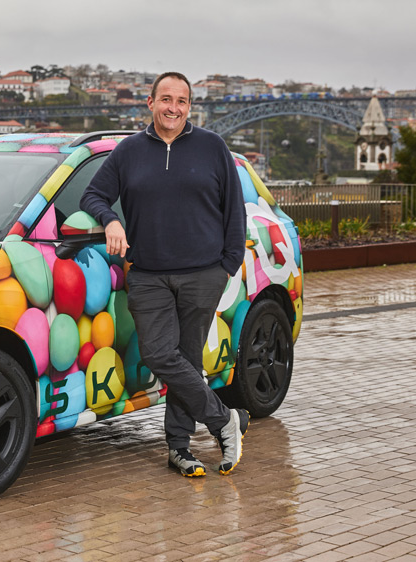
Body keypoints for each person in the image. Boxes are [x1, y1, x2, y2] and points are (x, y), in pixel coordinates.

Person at [79, 71, 248, 477]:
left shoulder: (212, 146)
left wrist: (227, 266)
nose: (173, 108)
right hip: (149, 274)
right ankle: (224, 420)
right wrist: (110, 220)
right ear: (150, 102)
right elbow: (93, 194)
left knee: (187, 361)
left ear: (190, 106)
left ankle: (179, 448)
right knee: (159, 354)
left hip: (203, 274)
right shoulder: (129, 151)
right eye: (166, 99)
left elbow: (234, 209)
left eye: (182, 101)